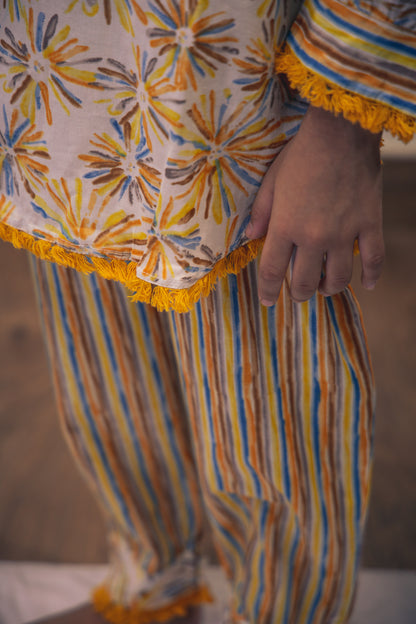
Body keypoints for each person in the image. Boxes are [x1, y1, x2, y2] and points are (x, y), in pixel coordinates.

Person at [1, 1, 415, 623]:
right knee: (109, 382)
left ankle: (285, 612)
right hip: (59, 101)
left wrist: (339, 132)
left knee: (271, 422)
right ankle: (155, 582)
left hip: (235, 105)